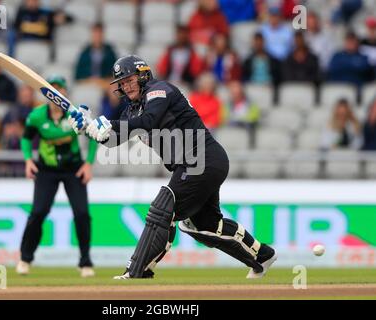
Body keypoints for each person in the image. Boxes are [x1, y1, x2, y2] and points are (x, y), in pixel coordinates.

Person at [68, 55, 277, 279]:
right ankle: (262, 256)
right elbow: (111, 139)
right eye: (122, 82)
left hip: (202, 158)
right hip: (193, 165)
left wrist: (109, 124)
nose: (126, 86)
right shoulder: (131, 112)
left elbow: (148, 120)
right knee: (202, 226)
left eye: (130, 80)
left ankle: (138, 271)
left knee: (164, 207)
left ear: (143, 75)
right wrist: (88, 128)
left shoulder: (159, 90)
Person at [16, 75, 98, 278]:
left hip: (73, 169)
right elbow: (26, 139)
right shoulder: (37, 116)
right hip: (47, 170)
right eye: (51, 91)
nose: (55, 95)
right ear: (46, 94)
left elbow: (94, 137)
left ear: (64, 94)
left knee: (81, 214)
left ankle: (85, 262)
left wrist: (88, 164)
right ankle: (25, 259)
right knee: (38, 213)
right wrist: (28, 160)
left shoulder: (75, 115)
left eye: (59, 90)